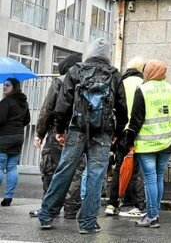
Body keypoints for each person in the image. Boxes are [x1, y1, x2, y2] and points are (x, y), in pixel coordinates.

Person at [38, 38, 128, 234]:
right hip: (102, 133)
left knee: (64, 172)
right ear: (107, 56)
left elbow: (63, 105)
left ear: (89, 52)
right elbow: (122, 109)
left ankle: (46, 215)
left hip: (77, 130)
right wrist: (117, 133)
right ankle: (87, 223)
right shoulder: (114, 75)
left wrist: (60, 130)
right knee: (96, 177)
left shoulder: (75, 71)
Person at [124, 59, 171, 228]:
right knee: (158, 178)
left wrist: (129, 142)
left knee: (150, 180)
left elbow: (135, 121)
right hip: (166, 143)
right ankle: (154, 212)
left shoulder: (143, 90)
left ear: (148, 71)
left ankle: (152, 216)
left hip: (146, 144)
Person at [32, 53, 85, 219]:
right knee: (76, 171)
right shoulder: (87, 81)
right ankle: (71, 210)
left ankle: (48, 208)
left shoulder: (60, 81)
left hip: (57, 132)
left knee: (50, 169)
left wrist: (40, 133)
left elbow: (48, 109)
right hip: (80, 132)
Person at [105, 56, 146, 217]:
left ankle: (112, 203)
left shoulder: (120, 82)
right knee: (136, 170)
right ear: (142, 69)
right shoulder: (142, 84)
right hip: (138, 132)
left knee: (119, 168)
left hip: (120, 131)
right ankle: (135, 204)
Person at [0, 78, 30, 207]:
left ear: (14, 87)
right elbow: (27, 120)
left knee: (0, 167)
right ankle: (8, 197)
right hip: (18, 137)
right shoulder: (24, 102)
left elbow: (0, 120)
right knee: (12, 167)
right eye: (4, 85)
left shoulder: (6, 102)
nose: (4, 87)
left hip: (4, 137)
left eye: (7, 85)